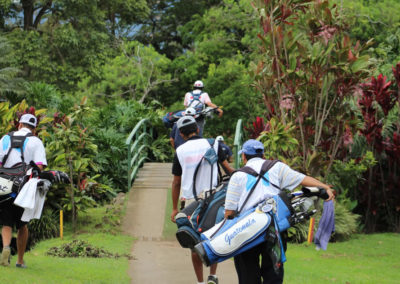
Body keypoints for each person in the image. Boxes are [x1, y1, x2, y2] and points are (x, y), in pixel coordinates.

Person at [224, 139, 335, 284]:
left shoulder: (237, 176)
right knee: (273, 274)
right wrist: (325, 187)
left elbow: (229, 213)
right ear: (263, 155)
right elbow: (302, 179)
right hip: (274, 227)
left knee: (248, 275)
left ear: (244, 156)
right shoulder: (277, 168)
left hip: (247, 230)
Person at [171, 116, 234, 284]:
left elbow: (176, 182)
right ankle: (212, 275)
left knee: (194, 242)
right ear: (197, 129)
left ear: (182, 135)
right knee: (213, 239)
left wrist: (175, 209)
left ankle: (200, 282)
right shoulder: (213, 144)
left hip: (191, 202)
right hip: (214, 199)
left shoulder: (180, 151)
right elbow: (228, 170)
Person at [0, 114, 47, 268]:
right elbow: (40, 166)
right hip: (24, 188)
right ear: (34, 129)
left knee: (6, 222)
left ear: (19, 125)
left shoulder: (5, 139)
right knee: (22, 225)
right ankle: (20, 261)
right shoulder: (36, 141)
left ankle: (6, 248)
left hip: (5, 185)